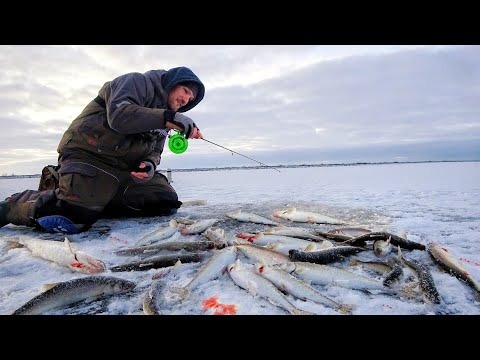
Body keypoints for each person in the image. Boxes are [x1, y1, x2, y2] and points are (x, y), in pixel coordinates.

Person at [0, 66, 205, 234]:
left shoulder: (166, 118)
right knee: (71, 217)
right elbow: (119, 116)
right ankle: (12, 206)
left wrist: (149, 165)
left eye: (191, 99)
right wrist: (170, 117)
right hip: (88, 154)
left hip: (122, 170)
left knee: (163, 203)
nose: (186, 100)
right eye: (186, 91)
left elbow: (156, 151)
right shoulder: (137, 82)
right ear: (172, 82)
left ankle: (91, 198)